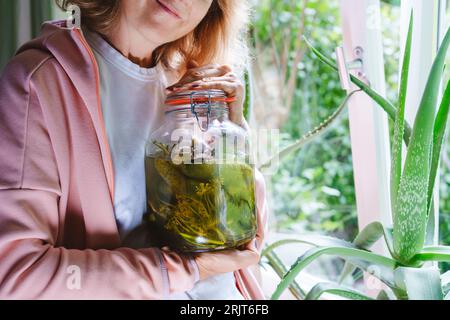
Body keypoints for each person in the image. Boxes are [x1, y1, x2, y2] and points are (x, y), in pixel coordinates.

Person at [0, 0, 268, 299]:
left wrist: (233, 128)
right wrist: (182, 269)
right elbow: (16, 276)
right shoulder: (39, 82)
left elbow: (239, 235)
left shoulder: (189, 83)